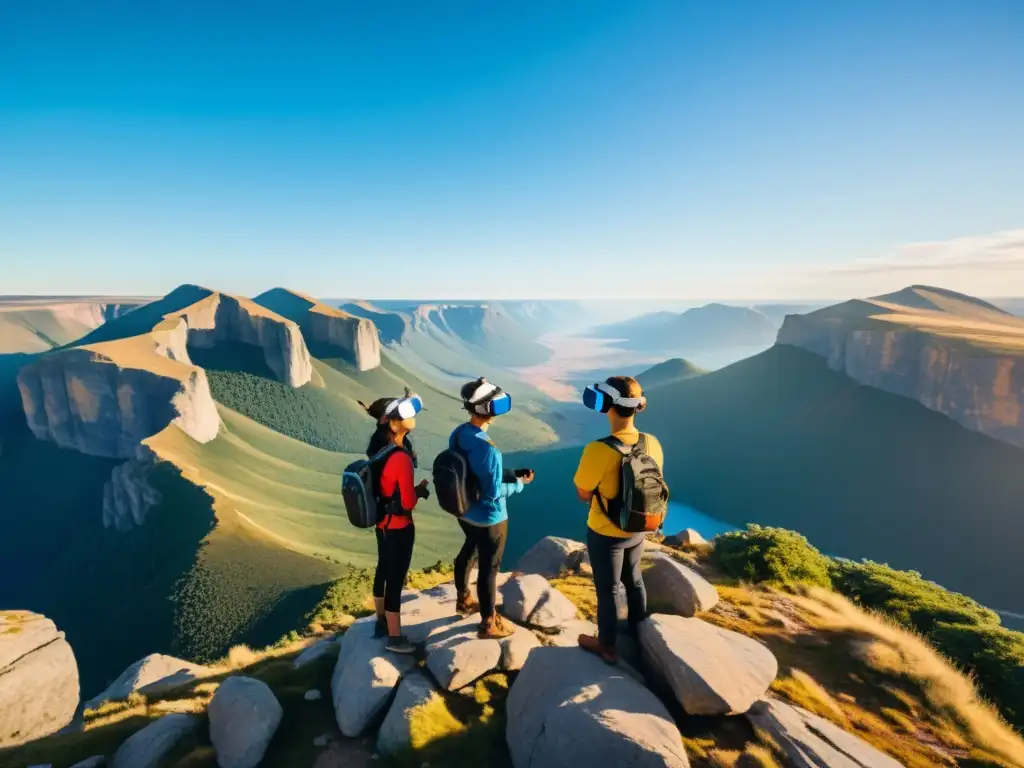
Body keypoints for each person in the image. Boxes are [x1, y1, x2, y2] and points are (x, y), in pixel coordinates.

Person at [573, 376, 664, 664]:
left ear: (608, 407)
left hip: (606, 531)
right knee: (634, 579)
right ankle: (641, 632)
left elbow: (583, 493)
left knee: (608, 588)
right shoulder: (652, 443)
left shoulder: (598, 449)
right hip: (640, 526)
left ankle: (607, 645)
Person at [450, 377, 534, 639]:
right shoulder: (489, 449)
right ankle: (489, 622)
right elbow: (493, 493)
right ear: (487, 410)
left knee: (468, 550)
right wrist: (519, 484)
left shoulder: (460, 433)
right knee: (489, 568)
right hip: (489, 519)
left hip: (464, 511)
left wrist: (507, 473)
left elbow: (471, 472)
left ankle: (463, 599)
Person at [361, 390, 430, 654]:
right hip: (399, 526)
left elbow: (387, 488)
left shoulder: (380, 449)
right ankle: (394, 637)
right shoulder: (400, 456)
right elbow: (408, 502)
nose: (411, 416)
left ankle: (380, 622)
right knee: (395, 577)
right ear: (391, 423)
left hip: (382, 524)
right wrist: (419, 491)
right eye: (403, 414)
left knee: (383, 569)